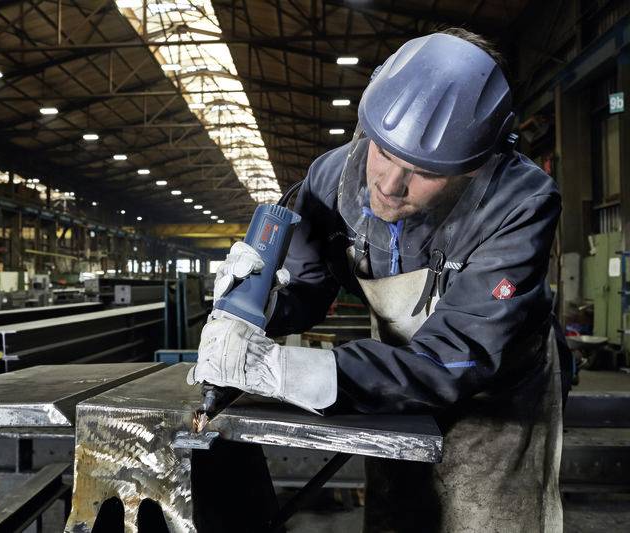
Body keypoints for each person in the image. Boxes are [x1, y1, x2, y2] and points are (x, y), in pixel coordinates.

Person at [188, 28, 571, 532]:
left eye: (425, 171)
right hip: (390, 377)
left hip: (495, 395)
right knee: (398, 512)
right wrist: (255, 306)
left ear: (475, 165)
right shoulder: (330, 180)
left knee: (486, 517)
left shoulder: (520, 204)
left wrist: (290, 372)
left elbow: (458, 356)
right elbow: (306, 289)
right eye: (385, 153)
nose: (390, 186)